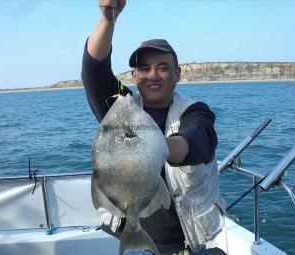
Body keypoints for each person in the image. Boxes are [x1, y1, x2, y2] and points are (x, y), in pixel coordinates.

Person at [81, 1, 226, 255]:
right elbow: (94, 71)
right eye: (144, 69)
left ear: (177, 73)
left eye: (162, 68)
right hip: (128, 241)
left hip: (185, 247)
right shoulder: (121, 105)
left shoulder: (195, 111)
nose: (153, 75)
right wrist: (107, 19)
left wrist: (156, 147)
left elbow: (197, 141)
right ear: (134, 76)